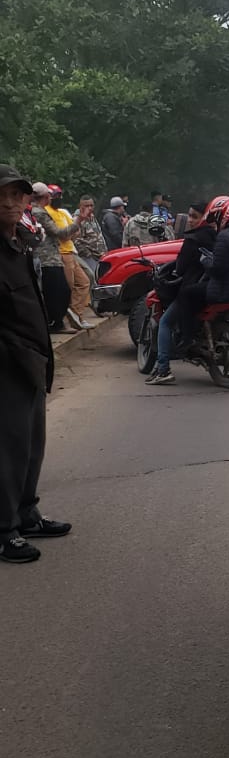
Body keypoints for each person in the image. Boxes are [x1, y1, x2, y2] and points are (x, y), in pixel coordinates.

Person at [0, 165, 72, 564]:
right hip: (9, 364)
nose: (11, 202)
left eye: (17, 195)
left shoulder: (20, 243)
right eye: (3, 196)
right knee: (7, 451)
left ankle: (26, 514)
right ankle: (4, 530)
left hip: (32, 359)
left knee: (31, 446)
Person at [145, 203, 218, 387]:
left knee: (165, 322)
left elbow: (181, 267)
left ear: (204, 217)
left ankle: (163, 370)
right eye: (190, 216)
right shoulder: (217, 236)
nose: (191, 220)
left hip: (192, 290)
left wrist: (174, 270)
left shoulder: (193, 239)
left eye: (195, 216)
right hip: (212, 288)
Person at [32, 182, 92, 330]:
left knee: (78, 284)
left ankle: (69, 318)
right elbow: (62, 234)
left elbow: (71, 233)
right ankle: (58, 321)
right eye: (54, 196)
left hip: (60, 254)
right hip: (52, 256)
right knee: (62, 291)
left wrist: (74, 227)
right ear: (47, 197)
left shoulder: (60, 212)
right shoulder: (40, 212)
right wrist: (79, 221)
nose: (57, 198)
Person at [73, 195, 106, 289]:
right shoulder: (77, 220)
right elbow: (76, 240)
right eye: (86, 206)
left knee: (99, 282)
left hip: (99, 256)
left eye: (91, 205)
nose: (90, 208)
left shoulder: (92, 218)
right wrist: (87, 254)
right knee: (92, 282)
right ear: (80, 206)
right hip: (88, 257)